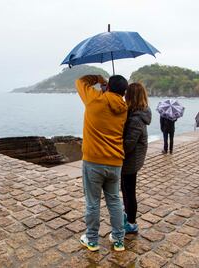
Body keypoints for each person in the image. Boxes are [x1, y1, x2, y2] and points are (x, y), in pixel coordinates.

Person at [76, 74, 128, 252]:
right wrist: (109, 89)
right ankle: (119, 239)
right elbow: (113, 100)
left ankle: (91, 239)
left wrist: (98, 78)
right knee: (114, 201)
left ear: (107, 87)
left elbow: (80, 82)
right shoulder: (124, 107)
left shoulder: (94, 100)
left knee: (92, 202)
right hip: (115, 162)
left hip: (93, 162)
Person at [121, 83, 152, 234]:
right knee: (127, 189)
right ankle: (128, 216)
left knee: (128, 191)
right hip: (132, 160)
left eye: (126, 93)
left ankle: (131, 223)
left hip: (130, 161)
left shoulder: (136, 118)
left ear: (130, 96)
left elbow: (128, 145)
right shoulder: (137, 113)